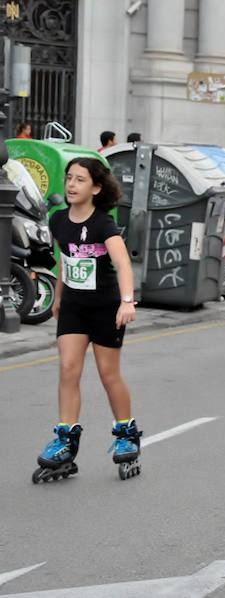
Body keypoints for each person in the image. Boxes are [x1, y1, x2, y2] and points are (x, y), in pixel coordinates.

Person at [34, 158, 140, 484]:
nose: (71, 185)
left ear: (95, 188)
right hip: (75, 308)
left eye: (80, 180)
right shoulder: (58, 221)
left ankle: (126, 433)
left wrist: (126, 302)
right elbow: (65, 260)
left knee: (109, 375)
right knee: (68, 369)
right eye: (69, 178)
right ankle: (66, 440)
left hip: (106, 307)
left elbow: (122, 264)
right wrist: (60, 297)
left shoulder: (103, 224)